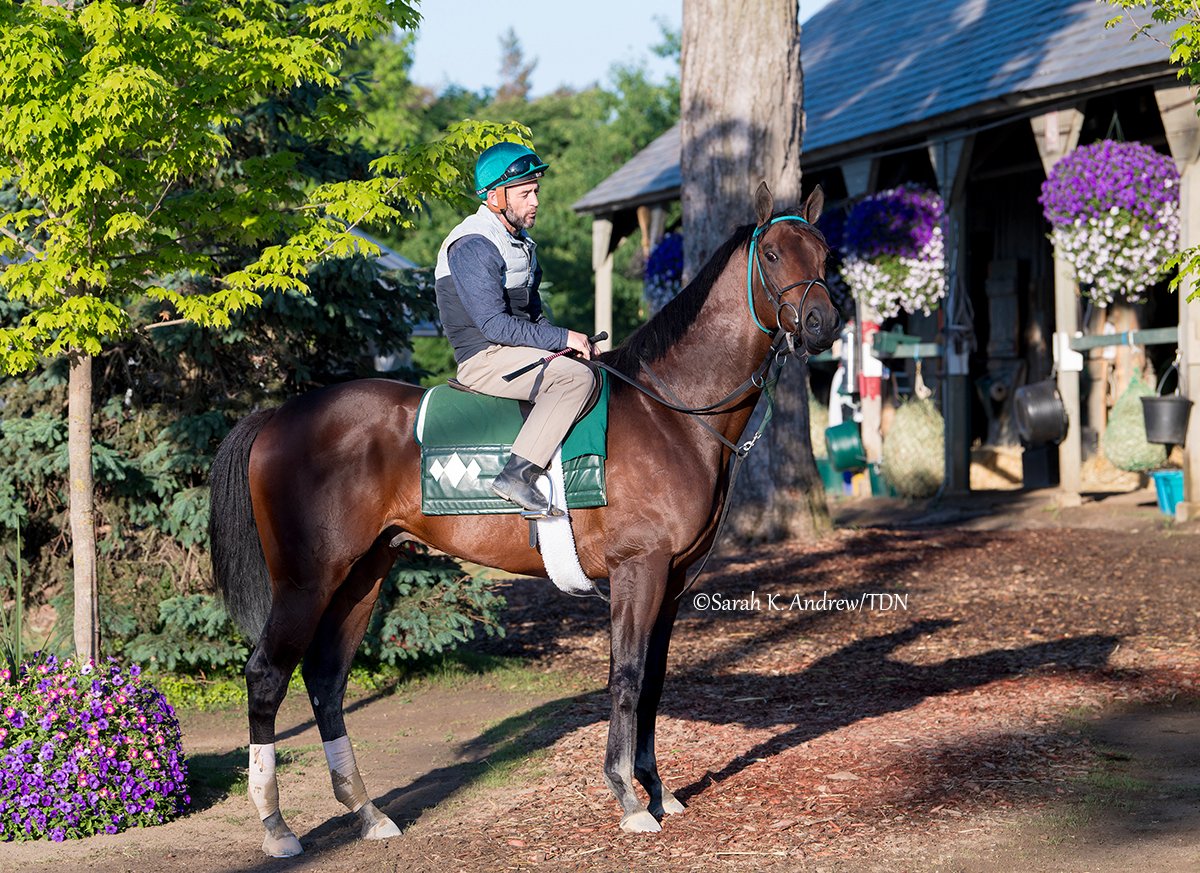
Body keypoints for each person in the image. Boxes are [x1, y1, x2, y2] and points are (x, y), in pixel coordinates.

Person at [433, 142, 597, 512]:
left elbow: (532, 318)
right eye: (525, 193)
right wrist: (561, 337)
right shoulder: (473, 243)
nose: (535, 201)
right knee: (575, 379)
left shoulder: (521, 243)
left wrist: (568, 345)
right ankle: (517, 476)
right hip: (484, 358)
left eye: (535, 191)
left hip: (513, 353)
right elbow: (494, 325)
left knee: (591, 368)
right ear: (495, 199)